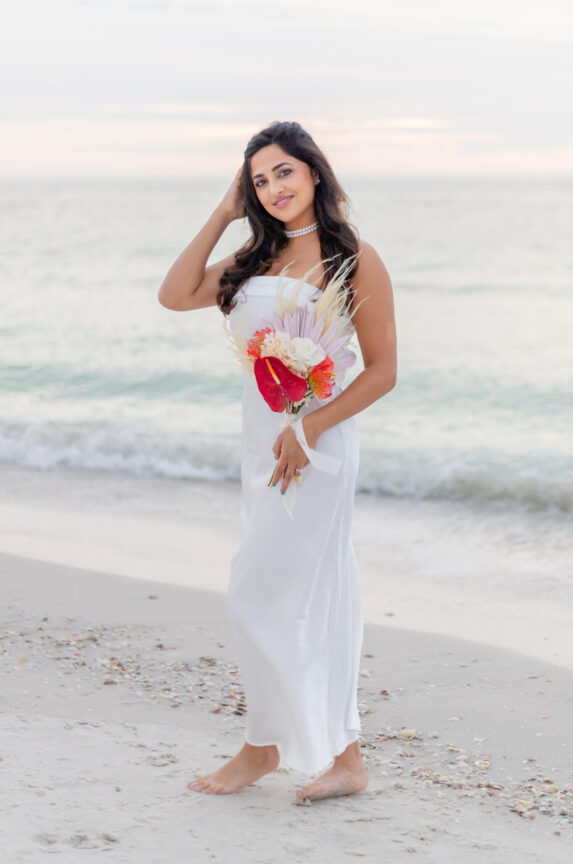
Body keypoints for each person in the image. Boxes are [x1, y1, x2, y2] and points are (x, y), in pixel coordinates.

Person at [157, 120, 397, 804]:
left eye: (283, 172)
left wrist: (310, 428)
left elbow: (381, 371)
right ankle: (344, 761)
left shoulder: (353, 257)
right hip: (260, 445)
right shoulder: (251, 260)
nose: (273, 188)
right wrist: (224, 212)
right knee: (306, 592)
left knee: (256, 589)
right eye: (259, 180)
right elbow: (174, 295)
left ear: (313, 172)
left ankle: (262, 748)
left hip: (315, 451)